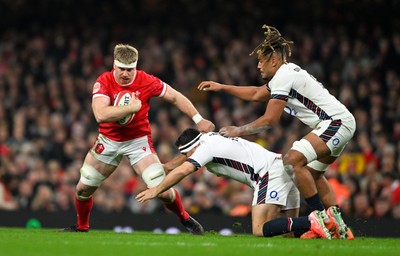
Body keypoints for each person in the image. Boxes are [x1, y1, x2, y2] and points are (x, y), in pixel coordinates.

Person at [197, 25, 356, 239]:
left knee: (291, 161)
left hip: (335, 123)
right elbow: (255, 93)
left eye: (261, 61)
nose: (258, 66)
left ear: (274, 60)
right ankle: (340, 228)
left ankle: (321, 219)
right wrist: (222, 87)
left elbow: (270, 120)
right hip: (337, 123)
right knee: (312, 174)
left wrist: (238, 130)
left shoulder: (283, 75)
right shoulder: (285, 74)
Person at [59, 44, 215, 234]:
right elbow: (100, 114)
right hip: (108, 141)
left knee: (163, 190)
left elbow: (175, 97)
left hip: (138, 142)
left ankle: (185, 218)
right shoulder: (104, 81)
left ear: (136, 67)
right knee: (83, 188)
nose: (125, 74)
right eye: (122, 69)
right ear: (114, 66)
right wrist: (131, 108)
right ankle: (82, 227)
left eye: (130, 69)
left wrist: (198, 119)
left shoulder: (146, 80)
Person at [137, 128, 335, 238]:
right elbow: (182, 161)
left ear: (193, 147)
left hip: (267, 174)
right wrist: (165, 167)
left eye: (187, 153)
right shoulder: (207, 140)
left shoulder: (205, 149)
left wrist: (157, 189)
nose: (187, 157)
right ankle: (325, 228)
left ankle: (315, 220)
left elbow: (184, 169)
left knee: (259, 229)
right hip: (280, 167)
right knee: (288, 236)